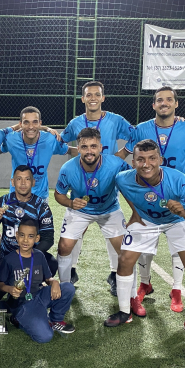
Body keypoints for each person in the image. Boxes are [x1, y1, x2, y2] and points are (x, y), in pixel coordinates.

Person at [117, 86, 185, 312]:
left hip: (176, 195)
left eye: (169, 100)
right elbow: (123, 154)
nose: (164, 103)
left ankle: (177, 289)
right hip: (147, 195)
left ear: (176, 104)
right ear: (153, 105)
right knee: (144, 246)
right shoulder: (141, 129)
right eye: (160, 100)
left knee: (179, 247)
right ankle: (145, 283)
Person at [106, 139, 185, 342]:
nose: (146, 164)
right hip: (146, 220)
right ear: (134, 161)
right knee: (125, 260)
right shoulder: (122, 178)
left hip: (176, 220)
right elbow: (124, 190)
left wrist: (183, 211)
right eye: (140, 159)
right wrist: (135, 213)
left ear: (160, 159)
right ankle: (124, 312)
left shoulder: (178, 179)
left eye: (152, 158)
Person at [53, 128, 141, 313]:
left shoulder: (116, 164)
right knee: (64, 246)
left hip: (110, 210)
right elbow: (58, 194)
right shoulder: (68, 168)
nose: (89, 151)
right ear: (78, 148)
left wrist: (136, 213)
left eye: (93, 146)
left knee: (126, 252)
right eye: (84, 147)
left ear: (101, 147)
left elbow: (133, 184)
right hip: (80, 211)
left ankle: (133, 297)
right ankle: (65, 289)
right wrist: (70, 202)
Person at [61, 81, 135, 287]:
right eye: (88, 95)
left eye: (97, 94)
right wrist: (80, 153)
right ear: (83, 98)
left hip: (108, 178)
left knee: (114, 231)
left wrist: (123, 154)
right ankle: (72, 269)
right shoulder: (75, 123)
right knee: (78, 229)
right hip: (84, 177)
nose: (93, 98)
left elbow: (135, 135)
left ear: (103, 98)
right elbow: (61, 142)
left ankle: (114, 272)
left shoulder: (116, 120)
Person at [0, 218, 75, 343]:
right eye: (22, 235)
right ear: (16, 236)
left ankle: (55, 320)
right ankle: (18, 320)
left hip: (39, 295)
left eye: (30, 236)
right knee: (45, 337)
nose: (25, 240)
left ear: (37, 238)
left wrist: (54, 282)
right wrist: (9, 289)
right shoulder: (9, 260)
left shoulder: (39, 255)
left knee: (68, 288)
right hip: (22, 304)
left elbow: (48, 278)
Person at [0, 165, 57, 275]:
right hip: (8, 256)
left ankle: (35, 283)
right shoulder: (3, 201)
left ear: (33, 182)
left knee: (52, 263)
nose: (23, 183)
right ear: (13, 182)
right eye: (19, 179)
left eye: (27, 179)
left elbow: (48, 239)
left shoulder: (41, 206)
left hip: (32, 254)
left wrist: (30, 256)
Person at [0, 106, 76, 201]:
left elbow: (69, 150)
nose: (31, 126)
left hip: (41, 197)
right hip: (17, 195)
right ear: (20, 124)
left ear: (40, 123)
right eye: (26, 122)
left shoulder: (50, 139)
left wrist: (93, 154)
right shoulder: (11, 139)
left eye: (35, 122)